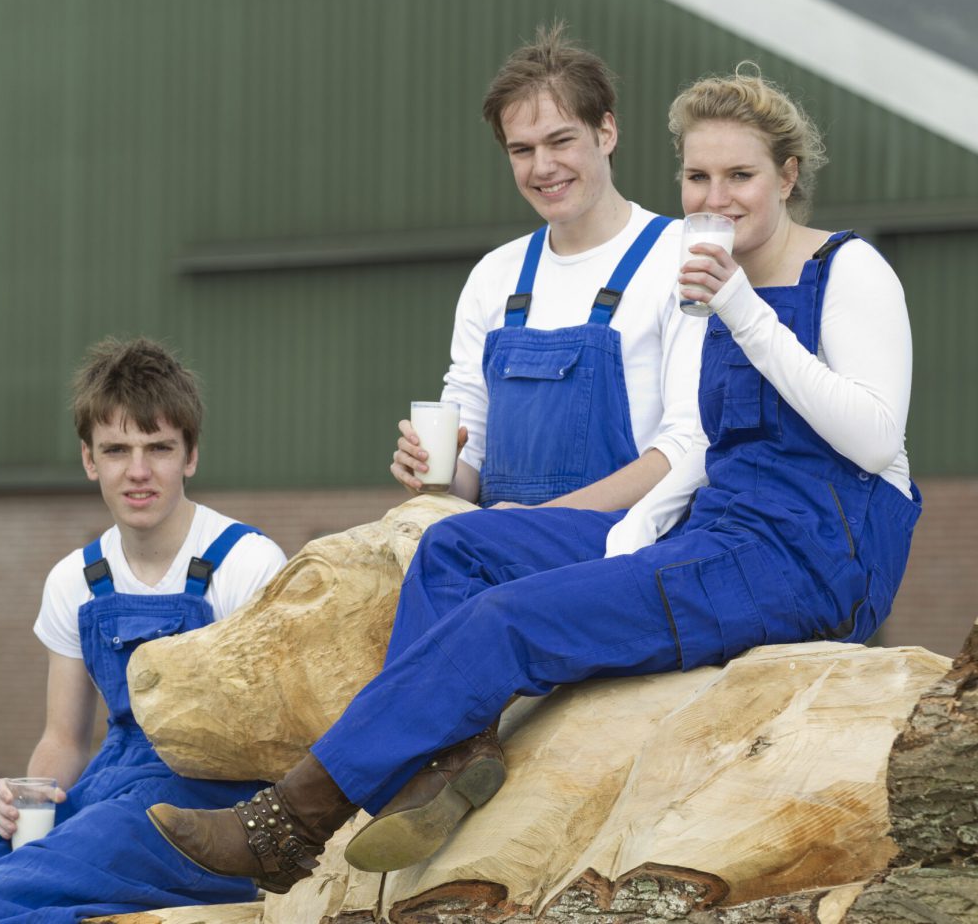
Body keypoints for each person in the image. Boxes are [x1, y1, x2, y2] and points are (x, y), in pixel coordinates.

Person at [147, 65, 920, 894]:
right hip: (713, 531)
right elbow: (702, 451)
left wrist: (745, 313)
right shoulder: (710, 279)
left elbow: (876, 440)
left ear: (788, 176)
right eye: (699, 176)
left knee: (508, 621)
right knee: (454, 550)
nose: (717, 196)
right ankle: (437, 773)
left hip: (814, 558)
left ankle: (291, 824)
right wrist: (631, 534)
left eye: (741, 175)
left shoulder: (844, 269)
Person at [0, 338, 288, 923]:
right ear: (90, 460)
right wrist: (22, 798)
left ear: (190, 456)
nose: (138, 472)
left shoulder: (246, 563)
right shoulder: (76, 580)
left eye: (158, 448)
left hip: (209, 800)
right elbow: (63, 739)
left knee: (0, 902)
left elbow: (274, 741)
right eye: (117, 450)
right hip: (113, 782)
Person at [391, 22, 704, 515]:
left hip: (631, 556)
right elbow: (468, 456)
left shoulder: (680, 257)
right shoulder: (495, 275)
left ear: (606, 131)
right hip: (503, 548)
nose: (542, 167)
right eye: (522, 150)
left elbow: (686, 447)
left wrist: (540, 524)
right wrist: (435, 476)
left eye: (560, 141)